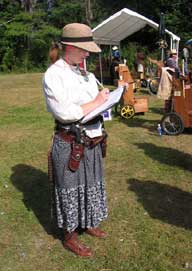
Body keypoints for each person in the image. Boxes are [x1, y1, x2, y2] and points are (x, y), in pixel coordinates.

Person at [43, 23, 111, 257]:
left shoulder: (86, 74)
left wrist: (107, 100)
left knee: (91, 182)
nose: (88, 53)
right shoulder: (54, 74)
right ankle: (70, 235)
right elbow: (65, 112)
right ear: (70, 47)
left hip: (91, 138)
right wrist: (96, 102)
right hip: (70, 142)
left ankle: (88, 221)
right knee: (69, 188)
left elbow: (93, 102)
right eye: (84, 49)